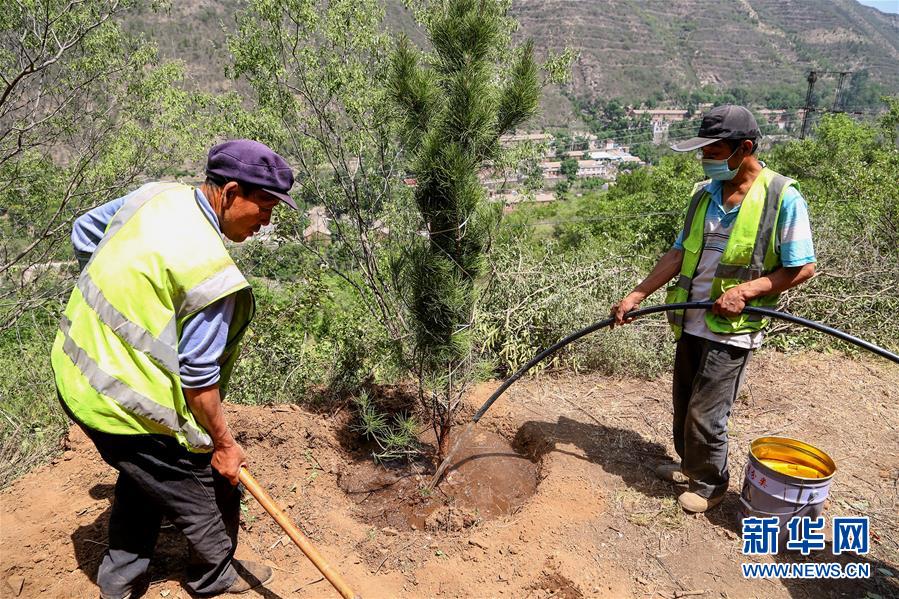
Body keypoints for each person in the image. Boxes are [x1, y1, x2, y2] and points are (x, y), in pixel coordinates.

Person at [51, 140, 296, 598]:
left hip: (76, 370)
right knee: (208, 481)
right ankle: (214, 575)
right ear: (231, 191)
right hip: (121, 399)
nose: (266, 222)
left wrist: (125, 304)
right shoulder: (209, 274)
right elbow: (199, 379)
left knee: (145, 472)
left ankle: (119, 577)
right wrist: (223, 444)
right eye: (263, 208)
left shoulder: (156, 196)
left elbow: (85, 232)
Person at [611, 105, 816, 513]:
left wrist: (746, 290)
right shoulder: (704, 194)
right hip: (691, 318)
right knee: (685, 401)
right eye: (704, 150)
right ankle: (690, 465)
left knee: (707, 412)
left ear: (745, 148)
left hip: (733, 325)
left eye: (715, 150)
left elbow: (803, 266)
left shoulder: (782, 197)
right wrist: (637, 295)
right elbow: (676, 254)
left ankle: (711, 484)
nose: (707, 158)